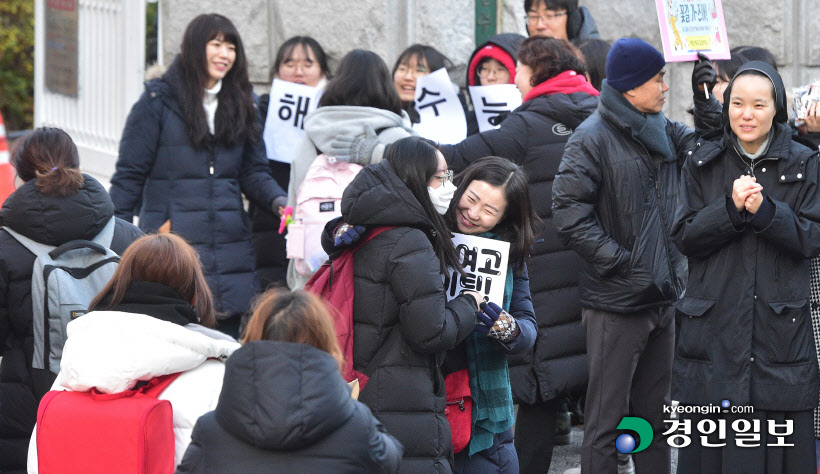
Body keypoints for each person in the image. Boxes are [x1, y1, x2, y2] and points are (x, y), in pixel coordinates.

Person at [551, 38, 719, 474]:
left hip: (662, 298)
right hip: (616, 304)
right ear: (629, 86)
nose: (666, 86)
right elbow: (568, 216)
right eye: (658, 78)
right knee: (606, 422)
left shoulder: (661, 128)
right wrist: (623, 264)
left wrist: (706, 102)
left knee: (655, 419)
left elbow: (710, 152)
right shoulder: (592, 138)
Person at [671, 61, 820, 473]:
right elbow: (684, 236)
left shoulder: (804, 163)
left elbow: (811, 238)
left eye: (758, 104)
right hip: (713, 327)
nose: (746, 114)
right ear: (726, 106)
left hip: (779, 330)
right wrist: (730, 209)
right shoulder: (701, 161)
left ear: (777, 108)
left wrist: (767, 212)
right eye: (737, 103)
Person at [109, 13, 287, 337]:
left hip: (231, 247)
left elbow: (254, 171)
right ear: (194, 46)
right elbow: (128, 176)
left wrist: (280, 202)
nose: (225, 54)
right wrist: (114, 244)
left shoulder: (243, 103)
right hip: (173, 249)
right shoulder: (157, 100)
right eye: (216, 44)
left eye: (231, 47)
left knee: (226, 347)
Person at [319, 137, 481, 472]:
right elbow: (431, 332)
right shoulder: (410, 240)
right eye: (439, 178)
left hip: (363, 381)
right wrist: (470, 305)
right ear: (413, 178)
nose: (448, 187)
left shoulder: (369, 225)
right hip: (400, 397)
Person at [26, 233, 239, 472]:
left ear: (120, 283)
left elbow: (39, 458)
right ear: (193, 295)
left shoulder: (77, 364)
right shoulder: (217, 376)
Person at [0, 127, 143, 473]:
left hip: (24, 416)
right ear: (78, 168)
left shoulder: (4, 246)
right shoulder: (129, 240)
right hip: (112, 407)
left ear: (19, 177)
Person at [176, 289, 403, 473]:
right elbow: (392, 459)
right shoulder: (358, 427)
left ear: (254, 340)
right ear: (325, 345)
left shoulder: (210, 432)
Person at [440, 157, 539, 473]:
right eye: (471, 199)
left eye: (489, 211)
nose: (473, 214)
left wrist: (508, 329)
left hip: (481, 401)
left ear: (504, 218)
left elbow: (527, 325)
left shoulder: (509, 256)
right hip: (425, 387)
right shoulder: (427, 230)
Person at [285, 49, 414, 289]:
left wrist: (295, 282)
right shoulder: (396, 139)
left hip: (312, 277)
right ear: (385, 85)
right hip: (376, 280)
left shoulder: (310, 138)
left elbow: (293, 210)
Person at [251, 36, 331, 290]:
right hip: (270, 220)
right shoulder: (259, 111)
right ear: (277, 71)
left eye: (308, 64)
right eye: (289, 63)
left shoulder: (335, 114)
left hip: (322, 220)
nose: (298, 71)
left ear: (323, 72)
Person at [392, 44, 478, 135]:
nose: (408, 77)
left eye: (419, 70)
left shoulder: (462, 121)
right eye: (402, 69)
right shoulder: (382, 114)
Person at [525, 0, 599, 42]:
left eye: (549, 16)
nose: (539, 25)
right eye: (533, 16)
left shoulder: (594, 62)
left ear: (572, 21)